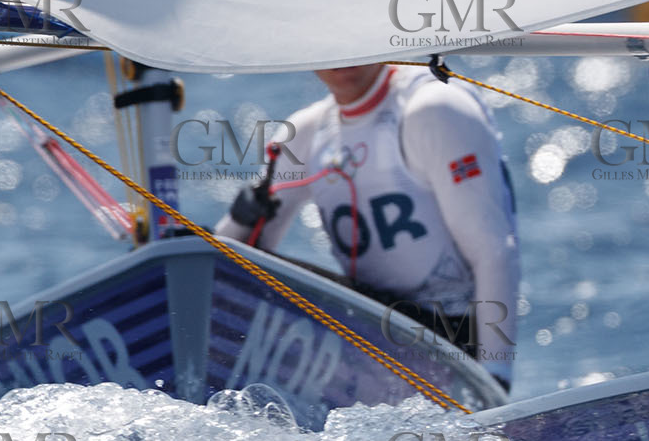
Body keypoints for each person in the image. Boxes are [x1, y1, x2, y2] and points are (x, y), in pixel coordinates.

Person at [216, 63, 520, 391]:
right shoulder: (307, 131)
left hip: (449, 341)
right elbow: (225, 262)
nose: (341, 61)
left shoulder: (432, 109)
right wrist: (240, 218)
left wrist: (494, 379)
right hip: (369, 330)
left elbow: (495, 253)